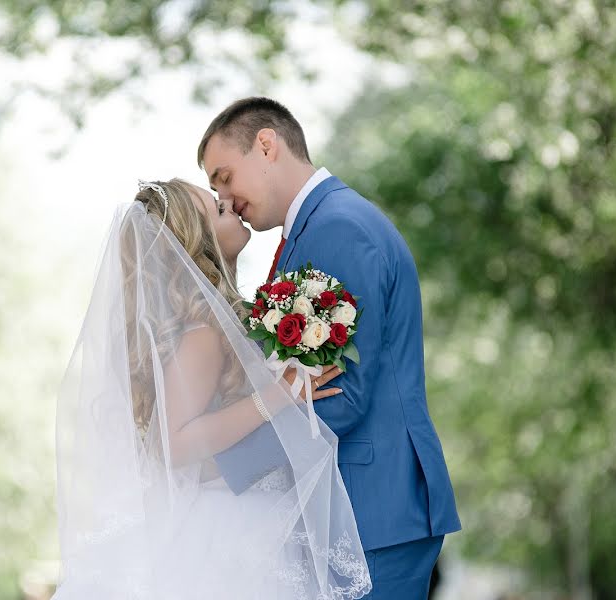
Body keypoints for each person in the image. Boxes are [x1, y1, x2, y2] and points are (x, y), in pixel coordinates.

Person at [52, 178, 371, 599]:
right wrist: (276, 397)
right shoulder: (202, 331)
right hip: (225, 532)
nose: (229, 203)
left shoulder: (218, 317)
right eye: (218, 209)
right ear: (197, 243)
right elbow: (176, 443)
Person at [199, 97, 462, 599]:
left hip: (373, 509)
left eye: (225, 176)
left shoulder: (336, 227)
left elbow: (341, 394)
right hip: (360, 511)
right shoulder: (318, 226)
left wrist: (224, 467)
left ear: (266, 144)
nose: (226, 200)